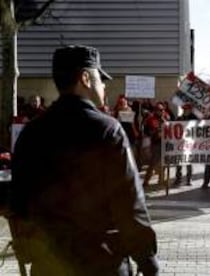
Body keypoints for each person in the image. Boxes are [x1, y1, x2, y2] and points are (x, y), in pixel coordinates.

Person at [9, 45, 158, 276]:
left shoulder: (31, 132)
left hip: (49, 263)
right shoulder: (108, 130)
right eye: (100, 78)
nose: (104, 85)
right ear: (86, 78)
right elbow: (128, 202)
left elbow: (18, 201)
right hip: (102, 262)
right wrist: (147, 259)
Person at [143, 101, 168, 187]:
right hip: (155, 144)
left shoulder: (166, 118)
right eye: (159, 110)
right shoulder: (150, 119)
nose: (160, 111)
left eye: (162, 110)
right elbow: (146, 131)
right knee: (153, 163)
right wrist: (155, 132)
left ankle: (161, 179)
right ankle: (146, 180)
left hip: (164, 143)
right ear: (155, 110)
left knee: (164, 162)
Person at [174, 103, 197, 186]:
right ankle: (178, 179)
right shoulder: (179, 118)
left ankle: (189, 179)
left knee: (189, 162)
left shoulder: (194, 118)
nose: (185, 111)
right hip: (180, 144)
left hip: (190, 144)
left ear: (190, 110)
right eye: (184, 109)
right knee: (179, 162)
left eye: (187, 109)